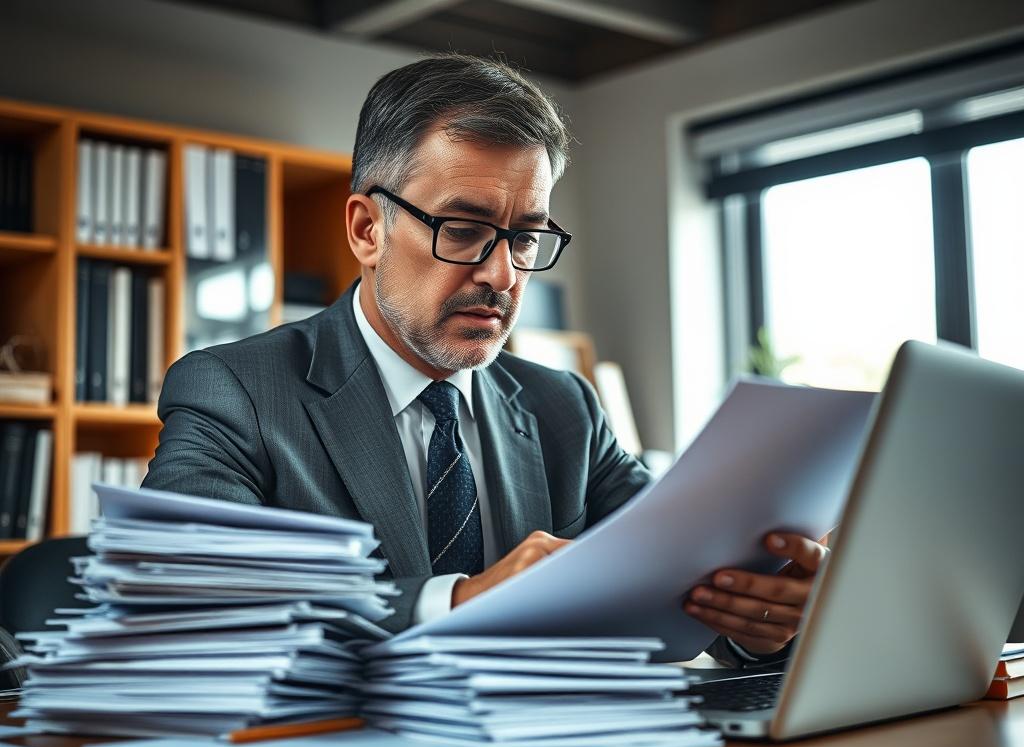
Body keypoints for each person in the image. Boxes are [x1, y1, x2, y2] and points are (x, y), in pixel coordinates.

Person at [143, 53, 827, 665]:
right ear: (366, 229)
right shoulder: (234, 390)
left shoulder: (566, 409)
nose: (502, 275)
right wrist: (461, 602)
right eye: (463, 230)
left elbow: (674, 579)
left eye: (526, 237)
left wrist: (752, 620)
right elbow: (193, 600)